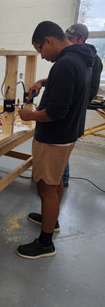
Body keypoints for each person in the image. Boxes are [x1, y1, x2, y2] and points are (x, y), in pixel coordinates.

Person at [17, 21, 93, 259]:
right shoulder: (82, 57)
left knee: (46, 187)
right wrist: (43, 82)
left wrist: (30, 115)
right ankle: (52, 220)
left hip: (54, 137)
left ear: (49, 40)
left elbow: (55, 112)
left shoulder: (64, 64)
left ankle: (45, 243)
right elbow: (72, 83)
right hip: (68, 134)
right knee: (55, 179)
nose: (41, 56)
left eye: (40, 49)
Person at [62, 23, 103, 186]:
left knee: (64, 143)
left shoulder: (93, 59)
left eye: (71, 38)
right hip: (68, 106)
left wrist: (77, 103)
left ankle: (62, 179)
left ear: (82, 39)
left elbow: (92, 88)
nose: (68, 41)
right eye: (67, 38)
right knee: (62, 144)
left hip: (75, 108)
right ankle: (59, 178)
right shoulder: (69, 55)